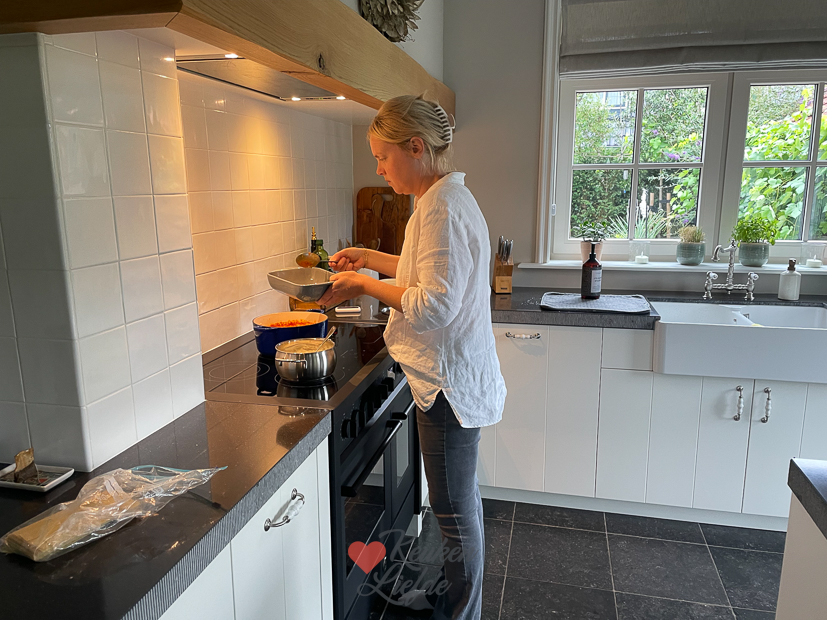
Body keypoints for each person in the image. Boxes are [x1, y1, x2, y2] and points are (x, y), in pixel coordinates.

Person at [318, 94, 506, 620]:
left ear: (416, 147)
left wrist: (363, 283)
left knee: (453, 512)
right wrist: (369, 258)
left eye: (383, 156)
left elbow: (433, 304)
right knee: (459, 505)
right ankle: (463, 605)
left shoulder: (441, 206)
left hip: (447, 385)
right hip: (452, 377)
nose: (379, 169)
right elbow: (421, 270)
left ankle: (462, 611)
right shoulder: (441, 199)